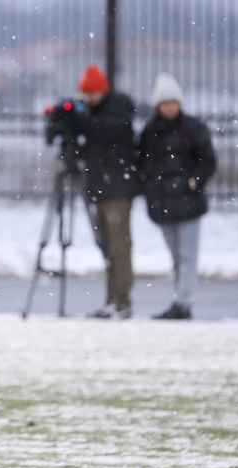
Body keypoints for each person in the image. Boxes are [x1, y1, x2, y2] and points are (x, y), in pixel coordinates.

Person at [137, 73, 217, 320]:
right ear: (158, 106)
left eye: (173, 102)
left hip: (187, 202)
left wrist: (192, 183)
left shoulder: (193, 129)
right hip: (163, 204)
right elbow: (143, 165)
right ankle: (180, 299)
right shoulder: (150, 133)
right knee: (176, 257)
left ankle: (183, 302)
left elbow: (208, 161)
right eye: (165, 103)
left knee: (187, 256)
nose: (170, 107)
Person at [69, 64, 140, 319]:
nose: (89, 99)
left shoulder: (117, 110)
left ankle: (122, 300)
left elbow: (107, 131)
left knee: (119, 246)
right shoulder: (92, 114)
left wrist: (81, 119)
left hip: (117, 189)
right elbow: (89, 145)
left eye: (92, 93)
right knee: (107, 247)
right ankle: (112, 299)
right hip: (99, 188)